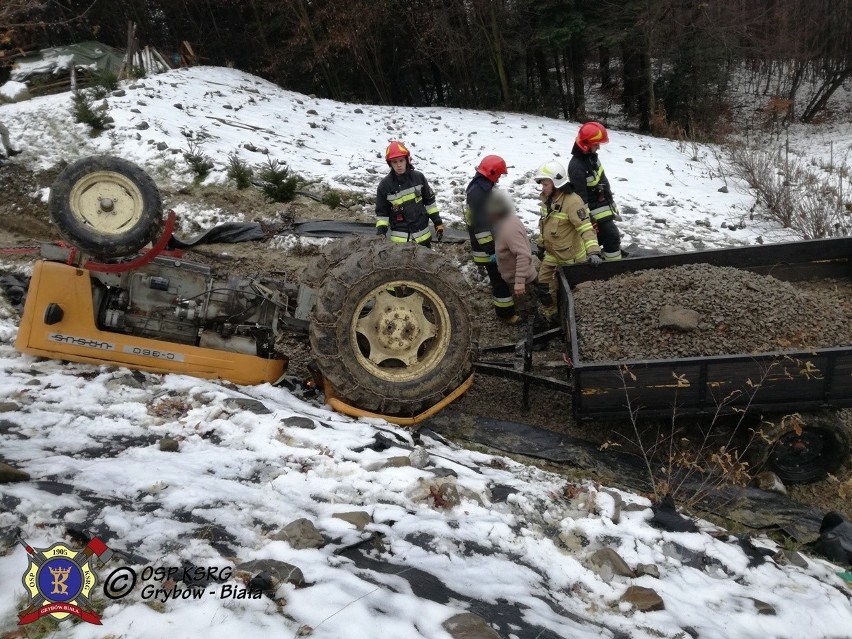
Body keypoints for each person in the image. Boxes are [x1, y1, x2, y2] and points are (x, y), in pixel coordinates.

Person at [535, 160, 602, 321]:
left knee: (570, 292)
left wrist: (593, 251)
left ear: (556, 183)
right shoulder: (547, 199)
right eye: (542, 184)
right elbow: (544, 224)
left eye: (545, 184)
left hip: (571, 257)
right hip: (552, 253)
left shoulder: (573, 201)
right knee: (543, 287)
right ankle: (553, 317)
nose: (542, 188)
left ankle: (573, 320)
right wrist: (540, 245)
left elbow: (585, 228)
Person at [465, 154, 517, 322]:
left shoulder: (481, 188)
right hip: (486, 249)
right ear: (492, 173)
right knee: (499, 280)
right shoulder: (479, 193)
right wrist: (492, 251)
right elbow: (481, 228)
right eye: (499, 175)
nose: (500, 179)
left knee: (499, 279)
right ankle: (506, 314)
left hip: (489, 245)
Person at [568, 122, 622, 261]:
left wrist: (611, 206)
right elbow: (580, 201)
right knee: (611, 236)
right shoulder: (577, 167)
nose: (598, 147)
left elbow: (604, 181)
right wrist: (590, 222)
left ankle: (611, 261)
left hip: (602, 205)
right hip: (591, 212)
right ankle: (613, 268)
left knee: (610, 237)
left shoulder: (592, 158)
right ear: (586, 144)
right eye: (596, 144)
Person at [375, 140, 443, 247]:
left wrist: (438, 222)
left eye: (401, 160)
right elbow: (382, 214)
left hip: (423, 238)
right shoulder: (384, 186)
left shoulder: (418, 177)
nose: (399, 165)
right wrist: (381, 234)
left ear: (407, 160)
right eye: (395, 162)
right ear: (390, 164)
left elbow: (430, 203)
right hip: (400, 243)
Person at [486, 189, 537, 318]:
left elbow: (523, 255)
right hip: (519, 278)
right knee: (528, 312)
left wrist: (519, 282)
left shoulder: (509, 228)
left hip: (522, 281)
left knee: (530, 314)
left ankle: (536, 334)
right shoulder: (506, 222)